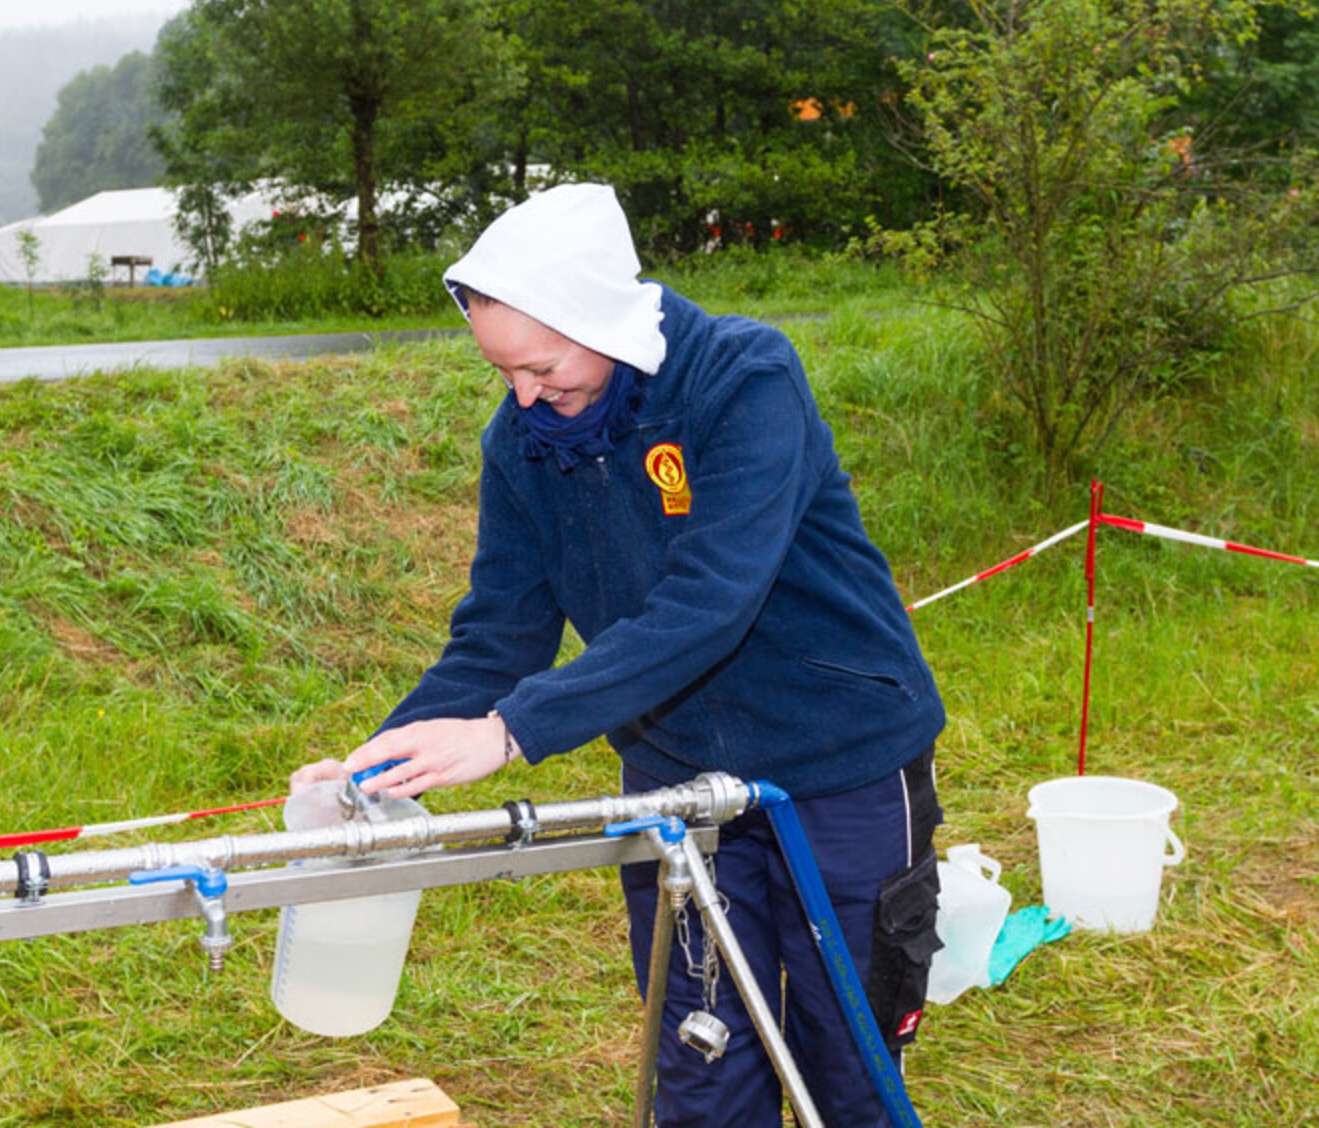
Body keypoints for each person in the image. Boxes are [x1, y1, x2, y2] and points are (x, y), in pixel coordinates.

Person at [290, 183, 945, 1127]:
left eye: (540, 364)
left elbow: (710, 603)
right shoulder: (521, 443)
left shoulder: (741, 379)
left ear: (596, 316)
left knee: (848, 1062)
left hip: (840, 756)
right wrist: (382, 765)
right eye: (503, 372)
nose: (524, 394)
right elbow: (499, 632)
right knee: (704, 1059)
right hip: (675, 778)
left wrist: (515, 732)